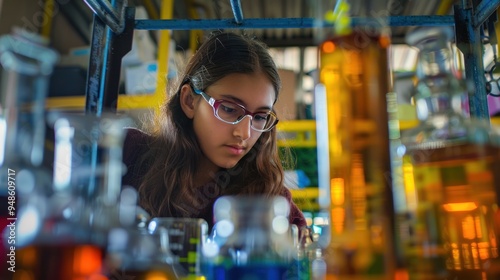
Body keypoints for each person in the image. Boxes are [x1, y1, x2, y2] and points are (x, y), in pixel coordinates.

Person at [122, 31, 306, 230]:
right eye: (228, 109)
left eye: (260, 117)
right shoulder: (127, 154)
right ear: (189, 101)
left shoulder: (271, 200)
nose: (244, 134)